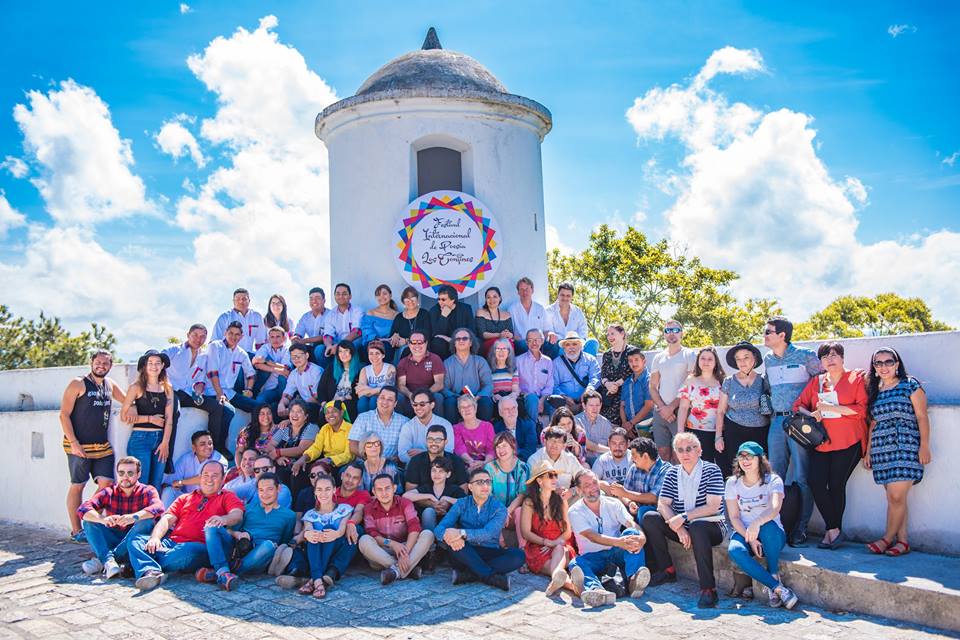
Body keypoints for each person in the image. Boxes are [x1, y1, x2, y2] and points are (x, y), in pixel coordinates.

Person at [793, 342, 868, 550]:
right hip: (822, 442)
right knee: (815, 482)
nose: (830, 359)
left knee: (836, 485)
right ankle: (834, 529)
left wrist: (832, 408)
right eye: (825, 357)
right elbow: (798, 405)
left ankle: (832, 531)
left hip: (849, 440)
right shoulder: (817, 382)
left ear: (843, 358)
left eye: (834, 355)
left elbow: (862, 410)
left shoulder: (856, 378)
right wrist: (813, 414)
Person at [129, 459, 245, 591]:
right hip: (172, 543)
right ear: (200, 477)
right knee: (137, 540)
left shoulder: (227, 496)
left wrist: (223, 519)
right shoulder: (185, 498)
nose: (209, 479)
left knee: (186, 551)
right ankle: (151, 571)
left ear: (223, 479)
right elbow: (167, 519)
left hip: (200, 547)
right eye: (206, 475)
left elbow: (237, 515)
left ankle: (140, 564)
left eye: (215, 476)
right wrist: (155, 538)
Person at [641, 432, 727, 609]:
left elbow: (712, 506)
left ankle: (708, 589)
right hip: (684, 525)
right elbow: (662, 504)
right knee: (649, 518)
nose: (685, 453)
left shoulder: (712, 470)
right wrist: (679, 528)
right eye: (680, 450)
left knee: (697, 526)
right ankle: (667, 570)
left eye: (690, 449)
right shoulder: (673, 472)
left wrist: (684, 517)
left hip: (711, 526)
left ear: (700, 451)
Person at [864, 347, 931, 557]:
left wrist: (925, 445)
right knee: (895, 499)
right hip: (882, 449)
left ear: (897, 364)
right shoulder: (875, 390)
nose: (884, 366)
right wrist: (868, 451)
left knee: (896, 496)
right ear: (874, 367)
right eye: (878, 363)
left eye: (888, 362)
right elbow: (873, 423)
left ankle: (886, 539)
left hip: (906, 446)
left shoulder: (909, 385)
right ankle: (902, 542)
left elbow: (921, 416)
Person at [763, 315, 821, 547]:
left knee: (801, 477)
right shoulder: (767, 359)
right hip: (776, 423)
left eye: (768, 331)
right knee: (774, 476)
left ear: (782, 335)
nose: (764, 335)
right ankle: (776, 525)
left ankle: (801, 528)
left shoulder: (807, 356)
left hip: (800, 424)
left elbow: (822, 384)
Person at [60, 349, 126, 542]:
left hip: (102, 446)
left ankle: (87, 513)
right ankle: (76, 530)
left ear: (110, 366)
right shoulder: (78, 383)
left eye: (106, 363)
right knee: (78, 485)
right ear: (91, 362)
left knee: (107, 485)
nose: (101, 366)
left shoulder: (109, 384)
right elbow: (64, 414)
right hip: (78, 445)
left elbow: (127, 400)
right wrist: (74, 443)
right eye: (98, 362)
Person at [725, 441, 798, 609]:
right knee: (734, 550)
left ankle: (773, 571)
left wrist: (756, 524)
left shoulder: (773, 480)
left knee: (767, 527)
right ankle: (777, 587)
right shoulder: (732, 483)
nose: (745, 460)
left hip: (771, 534)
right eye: (741, 456)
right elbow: (734, 517)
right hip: (745, 533)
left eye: (750, 456)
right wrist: (749, 538)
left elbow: (774, 508)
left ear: (760, 459)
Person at [198, 472, 296, 589]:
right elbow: (229, 531)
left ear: (278, 489)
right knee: (211, 526)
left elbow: (284, 541)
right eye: (261, 490)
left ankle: (222, 572)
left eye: (269, 489)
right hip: (239, 549)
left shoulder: (289, 515)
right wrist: (238, 534)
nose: (265, 494)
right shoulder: (248, 508)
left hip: (261, 555)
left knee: (269, 545)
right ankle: (223, 573)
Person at [568, 470, 649, 607]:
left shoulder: (613, 503)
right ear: (579, 490)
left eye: (594, 482)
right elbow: (592, 536)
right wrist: (619, 542)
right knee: (575, 564)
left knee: (632, 533)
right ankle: (596, 590)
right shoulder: (574, 511)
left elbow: (631, 523)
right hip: (593, 557)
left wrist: (642, 537)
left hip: (616, 552)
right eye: (587, 485)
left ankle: (634, 580)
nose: (593, 487)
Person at [436, 468, 526, 590]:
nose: (485, 486)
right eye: (479, 482)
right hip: (466, 551)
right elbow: (439, 529)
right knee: (454, 546)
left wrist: (460, 533)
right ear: (470, 487)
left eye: (488, 482)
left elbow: (487, 534)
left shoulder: (499, 508)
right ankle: (491, 577)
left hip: (490, 551)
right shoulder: (461, 504)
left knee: (518, 555)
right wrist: (448, 535)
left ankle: (468, 575)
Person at [77, 456, 163, 577]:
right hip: (114, 536)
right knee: (89, 522)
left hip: (135, 542)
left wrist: (134, 517)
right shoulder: (109, 492)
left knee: (147, 521)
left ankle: (106, 560)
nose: (125, 477)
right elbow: (83, 509)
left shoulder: (148, 491)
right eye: (121, 473)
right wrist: (102, 519)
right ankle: (109, 561)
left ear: (138, 474)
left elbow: (158, 507)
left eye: (130, 473)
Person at [163, 324, 222, 470]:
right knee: (174, 412)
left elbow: (199, 380)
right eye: (195, 335)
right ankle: (167, 459)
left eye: (202, 336)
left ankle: (213, 450)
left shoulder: (203, 357)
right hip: (171, 390)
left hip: (188, 393)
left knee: (216, 407)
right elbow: (157, 362)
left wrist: (198, 392)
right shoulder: (174, 351)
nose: (198, 339)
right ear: (188, 334)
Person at [360, 474, 434, 584]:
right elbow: (372, 533)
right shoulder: (369, 508)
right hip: (383, 552)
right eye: (379, 490)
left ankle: (395, 571)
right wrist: (392, 544)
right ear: (374, 492)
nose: (384, 493)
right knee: (364, 540)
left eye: (387, 488)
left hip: (406, 547)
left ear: (394, 488)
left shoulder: (405, 503)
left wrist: (405, 553)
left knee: (428, 534)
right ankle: (408, 568)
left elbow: (414, 527)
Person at [519, 462, 576, 596]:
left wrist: (555, 542)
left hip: (561, 543)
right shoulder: (529, 502)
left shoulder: (561, 500)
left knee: (559, 549)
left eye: (555, 475)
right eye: (550, 476)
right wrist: (546, 542)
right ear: (539, 481)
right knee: (557, 568)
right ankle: (575, 588)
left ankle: (557, 580)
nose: (555, 479)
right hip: (538, 547)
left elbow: (567, 532)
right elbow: (525, 533)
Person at [120, 350, 174, 491]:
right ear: (144, 365)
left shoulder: (167, 388)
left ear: (162, 365)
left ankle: (153, 513)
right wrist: (150, 419)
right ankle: (137, 513)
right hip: (140, 439)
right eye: (150, 363)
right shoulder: (136, 387)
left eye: (157, 363)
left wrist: (165, 443)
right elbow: (124, 415)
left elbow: (169, 418)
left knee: (155, 485)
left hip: (160, 440)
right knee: (141, 484)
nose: (154, 366)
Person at [297, 472, 357, 597]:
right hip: (316, 552)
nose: (323, 493)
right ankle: (319, 581)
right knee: (314, 534)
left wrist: (334, 534)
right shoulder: (310, 514)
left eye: (327, 489)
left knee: (329, 528)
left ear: (334, 490)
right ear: (315, 492)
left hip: (336, 550)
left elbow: (341, 529)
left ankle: (314, 579)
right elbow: (307, 529)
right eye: (319, 489)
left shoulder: (344, 509)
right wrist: (308, 534)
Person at [716, 341, 769, 478]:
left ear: (755, 359)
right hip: (734, 431)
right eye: (738, 359)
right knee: (737, 471)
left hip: (760, 432)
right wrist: (718, 437)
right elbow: (721, 411)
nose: (742, 362)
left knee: (759, 471)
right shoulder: (729, 381)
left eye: (746, 357)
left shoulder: (764, 379)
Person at [648, 320, 697, 463]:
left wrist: (671, 408)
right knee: (662, 452)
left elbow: (689, 384)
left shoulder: (689, 354)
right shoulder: (658, 358)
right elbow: (652, 386)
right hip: (660, 411)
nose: (671, 334)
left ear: (682, 333)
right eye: (667, 331)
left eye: (675, 330)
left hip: (681, 411)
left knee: (680, 453)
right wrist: (663, 408)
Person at [203, 321, 256, 452]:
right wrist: (219, 394)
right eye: (231, 333)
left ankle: (253, 443)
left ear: (241, 337)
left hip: (230, 392)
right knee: (227, 410)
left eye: (237, 334)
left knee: (258, 407)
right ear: (225, 333)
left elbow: (251, 374)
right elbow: (212, 373)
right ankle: (219, 446)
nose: (233, 337)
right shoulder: (215, 346)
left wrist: (249, 389)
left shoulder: (241, 353)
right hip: (212, 391)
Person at [677, 346, 725, 464]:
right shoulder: (690, 380)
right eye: (703, 358)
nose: (706, 362)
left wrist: (719, 436)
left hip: (717, 432)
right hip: (693, 431)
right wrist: (680, 432)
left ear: (715, 362)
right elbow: (683, 408)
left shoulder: (723, 381)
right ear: (698, 361)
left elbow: (723, 410)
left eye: (710, 359)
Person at [607, 436, 671, 520]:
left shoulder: (666, 470)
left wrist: (625, 493)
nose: (632, 458)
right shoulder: (634, 468)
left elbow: (653, 498)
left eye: (634, 455)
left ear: (645, 456)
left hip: (659, 515)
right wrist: (630, 503)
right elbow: (623, 494)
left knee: (644, 512)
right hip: (636, 510)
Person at [484, 431, 530, 546]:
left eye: (504, 445)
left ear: (512, 446)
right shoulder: (490, 468)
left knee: (520, 511)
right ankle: (501, 544)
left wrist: (508, 510)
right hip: (495, 510)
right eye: (498, 447)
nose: (501, 450)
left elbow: (522, 494)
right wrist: (501, 511)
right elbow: (488, 495)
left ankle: (523, 549)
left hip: (514, 512)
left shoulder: (522, 467)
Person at [265, 399, 320, 490]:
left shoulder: (312, 427)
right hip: (284, 464)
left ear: (306, 416)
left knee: (294, 476)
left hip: (302, 465)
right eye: (292, 411)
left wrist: (278, 452)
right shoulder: (285, 427)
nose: (294, 415)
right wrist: (278, 458)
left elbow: (301, 449)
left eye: (299, 412)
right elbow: (270, 446)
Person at [162, 430, 228, 506]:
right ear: (194, 447)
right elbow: (169, 483)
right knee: (168, 491)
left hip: (209, 501)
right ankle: (164, 517)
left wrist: (181, 482)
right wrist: (173, 486)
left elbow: (204, 479)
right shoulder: (186, 458)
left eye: (210, 443)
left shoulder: (219, 459)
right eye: (202, 444)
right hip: (188, 499)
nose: (208, 447)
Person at [290, 401, 354, 477]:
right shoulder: (325, 428)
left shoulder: (351, 429)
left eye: (334, 411)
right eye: (327, 412)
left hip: (343, 465)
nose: (330, 415)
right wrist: (304, 457)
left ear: (342, 412)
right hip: (326, 463)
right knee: (299, 471)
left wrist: (329, 460)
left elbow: (349, 455)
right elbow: (316, 447)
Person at [442, 328, 494, 422]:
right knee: (449, 402)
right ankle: (452, 433)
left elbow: (488, 385)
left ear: (470, 342)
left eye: (465, 338)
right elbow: (444, 388)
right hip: (456, 398)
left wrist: (478, 397)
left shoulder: (480, 361)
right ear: (454, 343)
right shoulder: (447, 363)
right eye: (458, 339)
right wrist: (458, 397)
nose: (461, 341)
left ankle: (484, 432)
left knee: (486, 402)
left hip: (476, 398)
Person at [403, 456, 465, 532]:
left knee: (453, 512)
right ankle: (429, 539)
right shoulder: (426, 488)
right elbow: (405, 496)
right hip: (428, 527)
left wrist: (447, 499)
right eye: (434, 470)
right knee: (428, 511)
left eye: (441, 471)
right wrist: (430, 496)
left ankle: (443, 540)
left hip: (448, 529)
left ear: (448, 474)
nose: (436, 474)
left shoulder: (454, 489)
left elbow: (467, 503)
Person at [348, 386, 406, 464]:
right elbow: (353, 445)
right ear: (377, 400)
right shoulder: (363, 418)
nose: (385, 402)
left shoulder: (404, 422)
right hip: (365, 463)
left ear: (395, 403)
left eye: (390, 399)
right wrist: (370, 460)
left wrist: (388, 462)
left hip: (389, 466)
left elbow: (406, 449)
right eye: (382, 398)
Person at [404, 425, 469, 491]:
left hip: (451, 500)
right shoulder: (416, 461)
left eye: (438, 440)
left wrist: (447, 501)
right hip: (421, 500)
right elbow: (410, 491)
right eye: (430, 439)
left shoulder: (456, 461)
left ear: (445, 442)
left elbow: (464, 491)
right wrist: (430, 501)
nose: (433, 443)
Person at [396, 331, 446, 416]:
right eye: (413, 342)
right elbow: (401, 385)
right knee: (399, 398)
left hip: (429, 394)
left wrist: (424, 395)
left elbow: (439, 384)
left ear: (426, 343)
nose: (417, 346)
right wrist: (410, 395)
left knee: (438, 397)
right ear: (409, 344)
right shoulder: (403, 362)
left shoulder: (435, 359)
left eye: (420, 342)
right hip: (410, 396)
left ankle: (437, 426)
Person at [398, 390, 454, 464]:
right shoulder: (408, 426)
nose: (418, 407)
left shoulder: (445, 424)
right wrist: (435, 453)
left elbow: (448, 451)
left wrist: (424, 453)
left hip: (440, 467)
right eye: (415, 405)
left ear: (432, 405)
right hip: (416, 467)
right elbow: (403, 455)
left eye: (422, 404)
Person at [549, 332, 601, 413]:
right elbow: (553, 385)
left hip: (585, 400)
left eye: (574, 344)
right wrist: (565, 397)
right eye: (568, 345)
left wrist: (588, 391)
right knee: (555, 402)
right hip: (564, 402)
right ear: (564, 348)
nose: (571, 347)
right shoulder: (556, 363)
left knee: (593, 400)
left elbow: (595, 378)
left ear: (580, 346)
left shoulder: (591, 360)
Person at [543, 282, 598, 358]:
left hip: (577, 343)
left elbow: (583, 331)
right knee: (560, 347)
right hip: (559, 346)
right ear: (558, 295)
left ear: (572, 297)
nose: (565, 298)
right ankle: (569, 368)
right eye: (562, 295)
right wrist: (566, 343)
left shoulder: (577, 311)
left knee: (593, 342)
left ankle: (586, 367)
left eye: (568, 296)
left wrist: (576, 344)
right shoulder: (549, 311)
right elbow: (549, 332)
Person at [528, 426, 586, 495]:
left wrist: (571, 491)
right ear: (545, 441)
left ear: (564, 445)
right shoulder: (534, 460)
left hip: (566, 499)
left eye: (559, 441)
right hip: (542, 499)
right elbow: (530, 487)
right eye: (552, 440)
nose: (554, 444)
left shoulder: (570, 459)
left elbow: (584, 479)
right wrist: (553, 492)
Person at [599, 324, 636, 425]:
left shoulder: (632, 351)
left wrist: (617, 385)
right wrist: (608, 384)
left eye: (612, 333)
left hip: (626, 395)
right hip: (609, 396)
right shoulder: (606, 354)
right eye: (608, 334)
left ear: (622, 334)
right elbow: (603, 374)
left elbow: (631, 372)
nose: (609, 337)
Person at [226, 454, 293, 508]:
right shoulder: (254, 483)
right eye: (257, 470)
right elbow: (230, 492)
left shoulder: (283, 490)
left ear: (273, 469)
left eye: (265, 469)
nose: (261, 473)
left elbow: (267, 508)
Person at [279, 344, 323, 424]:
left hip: (316, 405)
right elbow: (288, 394)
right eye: (293, 357)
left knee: (311, 407)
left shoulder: (316, 371)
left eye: (299, 356)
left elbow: (316, 397)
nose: (296, 359)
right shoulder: (293, 374)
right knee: (277, 407)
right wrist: (281, 404)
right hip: (302, 406)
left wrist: (297, 409)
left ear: (307, 355)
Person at [429, 285, 476, 359]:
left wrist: (452, 340)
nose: (440, 302)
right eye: (438, 299)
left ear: (453, 300)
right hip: (444, 344)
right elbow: (436, 334)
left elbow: (472, 330)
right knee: (437, 342)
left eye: (443, 299)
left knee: (477, 341)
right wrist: (443, 316)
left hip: (462, 339)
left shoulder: (466, 309)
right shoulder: (434, 310)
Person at [213, 288, 265, 354]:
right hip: (228, 354)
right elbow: (215, 340)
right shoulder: (224, 317)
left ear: (249, 300)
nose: (241, 301)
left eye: (244, 299)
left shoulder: (257, 317)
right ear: (233, 301)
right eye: (237, 299)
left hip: (248, 355)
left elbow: (260, 342)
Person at [516, 328, 554, 423]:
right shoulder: (519, 361)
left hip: (543, 398)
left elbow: (549, 385)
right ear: (526, 342)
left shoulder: (548, 361)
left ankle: (555, 433)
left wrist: (541, 400)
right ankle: (533, 431)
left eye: (537, 340)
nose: (534, 343)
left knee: (556, 401)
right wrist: (527, 395)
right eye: (530, 340)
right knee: (532, 399)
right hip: (525, 398)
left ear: (542, 341)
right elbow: (515, 385)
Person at [321, 283, 364, 365]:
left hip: (353, 343)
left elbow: (357, 332)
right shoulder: (330, 315)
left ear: (350, 296)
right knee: (319, 350)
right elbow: (327, 335)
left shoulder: (357, 311)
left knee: (349, 348)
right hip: (336, 344)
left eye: (344, 294)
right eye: (338, 294)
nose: (341, 296)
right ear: (334, 296)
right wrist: (329, 346)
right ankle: (329, 373)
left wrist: (340, 346)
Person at [317, 340, 360, 420]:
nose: (343, 354)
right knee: (323, 414)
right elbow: (321, 388)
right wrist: (324, 404)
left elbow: (358, 394)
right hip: (331, 403)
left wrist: (346, 398)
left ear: (352, 352)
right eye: (340, 351)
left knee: (345, 407)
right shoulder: (331, 368)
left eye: (346, 351)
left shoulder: (360, 370)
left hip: (348, 404)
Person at [388, 286, 432, 362]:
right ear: (403, 302)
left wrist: (406, 341)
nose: (410, 302)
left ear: (417, 300)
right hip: (401, 346)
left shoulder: (424, 314)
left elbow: (428, 335)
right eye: (407, 300)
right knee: (385, 347)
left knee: (408, 350)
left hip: (419, 345)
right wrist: (394, 336)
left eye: (413, 299)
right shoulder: (399, 317)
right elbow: (392, 336)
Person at [250, 326, 291, 408]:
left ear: (284, 338)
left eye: (278, 336)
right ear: (269, 338)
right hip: (269, 388)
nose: (275, 340)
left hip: (282, 388)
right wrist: (275, 369)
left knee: (282, 377)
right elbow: (256, 362)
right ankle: (254, 392)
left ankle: (282, 404)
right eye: (272, 337)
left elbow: (286, 369)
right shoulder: (265, 347)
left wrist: (266, 362)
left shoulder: (288, 349)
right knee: (259, 401)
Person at [454, 395, 497, 472]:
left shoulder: (487, 426)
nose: (466, 409)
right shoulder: (456, 428)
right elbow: (459, 449)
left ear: (475, 408)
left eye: (469, 406)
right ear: (459, 411)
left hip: (486, 464)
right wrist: (472, 463)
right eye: (462, 407)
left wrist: (484, 463)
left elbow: (491, 449)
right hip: (467, 466)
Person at [507, 277, 547, 356]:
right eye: (521, 289)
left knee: (553, 346)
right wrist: (519, 339)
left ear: (532, 290)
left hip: (540, 343)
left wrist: (542, 341)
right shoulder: (512, 309)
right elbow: (509, 332)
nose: (524, 292)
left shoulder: (540, 308)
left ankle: (546, 365)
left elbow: (546, 330)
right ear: (518, 292)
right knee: (523, 345)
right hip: (522, 342)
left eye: (527, 289)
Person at [360, 284, 399, 362]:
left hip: (389, 345)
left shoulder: (396, 315)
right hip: (372, 343)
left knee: (386, 347)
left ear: (390, 295)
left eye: (384, 293)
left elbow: (399, 330)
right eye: (378, 295)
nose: (381, 297)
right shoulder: (371, 313)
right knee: (376, 348)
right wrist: (379, 340)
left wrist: (396, 334)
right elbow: (367, 331)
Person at [293, 287, 332, 365]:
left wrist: (304, 341)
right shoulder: (305, 317)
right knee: (295, 351)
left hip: (326, 346)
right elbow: (298, 333)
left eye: (317, 298)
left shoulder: (331, 315)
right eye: (311, 298)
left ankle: (324, 375)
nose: (314, 301)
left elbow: (324, 336)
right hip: (310, 347)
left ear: (324, 300)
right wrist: (296, 339)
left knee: (319, 349)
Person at [620, 347, 653, 438]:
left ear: (644, 361)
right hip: (629, 428)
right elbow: (622, 405)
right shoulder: (627, 382)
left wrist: (631, 423)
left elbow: (649, 405)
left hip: (647, 427)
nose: (633, 363)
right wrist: (625, 425)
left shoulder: (649, 380)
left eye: (636, 360)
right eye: (630, 361)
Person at [492, 396, 538, 461]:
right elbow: (495, 452)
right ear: (500, 413)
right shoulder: (495, 428)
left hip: (524, 463)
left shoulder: (528, 425)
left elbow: (530, 450)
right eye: (506, 409)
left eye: (513, 408)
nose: (511, 412)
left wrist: (511, 456)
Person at [356, 340, 396, 415]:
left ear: (383, 355)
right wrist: (378, 390)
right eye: (371, 353)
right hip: (368, 397)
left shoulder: (390, 368)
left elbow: (389, 389)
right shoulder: (365, 370)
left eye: (377, 353)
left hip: (385, 397)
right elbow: (360, 393)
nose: (374, 356)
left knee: (374, 400)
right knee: (362, 401)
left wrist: (368, 390)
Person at [577, 389, 613, 465]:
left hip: (603, 462)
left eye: (597, 405)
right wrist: (611, 450)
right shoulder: (576, 421)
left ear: (601, 405)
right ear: (584, 405)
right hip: (582, 461)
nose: (595, 408)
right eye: (591, 405)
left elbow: (611, 443)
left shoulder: (606, 423)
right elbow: (587, 444)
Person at [476, 286, 514, 356]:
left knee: (508, 344)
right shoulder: (481, 312)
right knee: (501, 345)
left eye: (495, 297)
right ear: (485, 300)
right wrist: (500, 335)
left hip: (505, 343)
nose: (491, 299)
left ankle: (509, 365)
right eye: (488, 297)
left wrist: (509, 334)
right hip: (487, 344)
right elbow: (482, 334)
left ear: (500, 298)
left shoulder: (507, 314)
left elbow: (511, 333)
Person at [488, 338, 520, 414]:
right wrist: (493, 396)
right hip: (496, 399)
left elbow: (515, 388)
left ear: (509, 352)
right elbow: (487, 388)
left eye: (504, 349)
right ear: (494, 352)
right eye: (498, 349)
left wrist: (514, 394)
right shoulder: (488, 369)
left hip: (509, 398)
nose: (501, 352)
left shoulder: (513, 369)